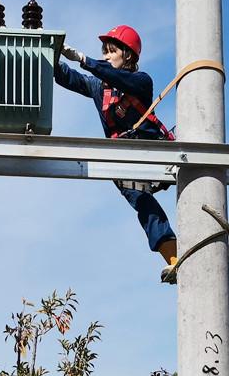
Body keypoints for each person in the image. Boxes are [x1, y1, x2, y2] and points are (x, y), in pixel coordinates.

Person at [55, 25, 178, 284]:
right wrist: (49, 55)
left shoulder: (141, 81)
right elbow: (69, 77)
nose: (107, 56)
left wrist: (85, 60)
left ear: (129, 56)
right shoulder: (100, 88)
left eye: (112, 51)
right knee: (143, 203)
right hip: (124, 160)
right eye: (105, 52)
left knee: (160, 192)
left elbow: (116, 77)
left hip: (151, 151)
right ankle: (174, 257)